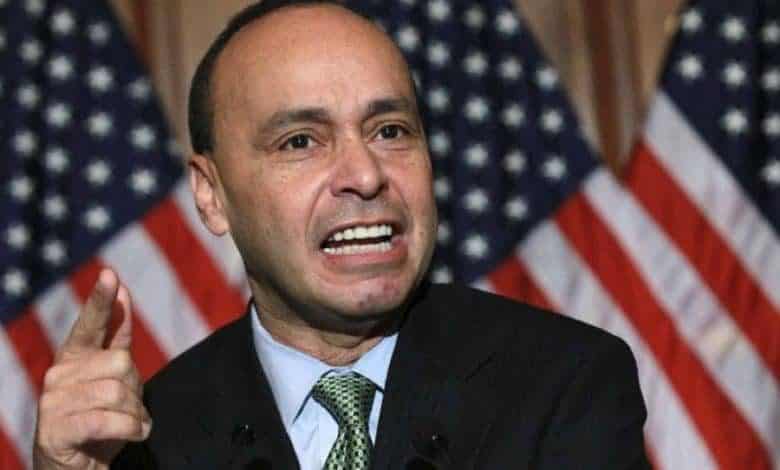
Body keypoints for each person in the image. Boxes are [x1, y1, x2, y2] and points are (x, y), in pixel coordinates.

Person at [32, 1, 651, 469]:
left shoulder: (564, 386)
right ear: (211, 195)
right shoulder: (149, 441)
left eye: (390, 131)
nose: (365, 174)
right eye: (301, 141)